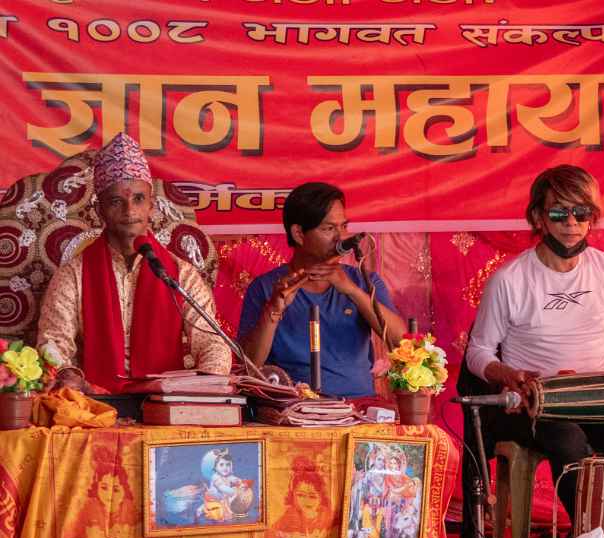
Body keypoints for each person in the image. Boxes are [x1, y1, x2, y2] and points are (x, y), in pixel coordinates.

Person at [465, 164, 604, 534]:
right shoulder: (509, 279)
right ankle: (596, 536)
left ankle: (594, 534)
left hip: (596, 400)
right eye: (558, 212)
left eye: (580, 212)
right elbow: (479, 352)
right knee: (569, 443)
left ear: (592, 218)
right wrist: (508, 374)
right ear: (538, 217)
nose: (571, 222)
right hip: (535, 406)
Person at [36, 133, 231, 392]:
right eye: (117, 201)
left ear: (152, 205)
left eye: (138, 199)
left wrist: (202, 388)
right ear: (100, 210)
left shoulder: (180, 275)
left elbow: (212, 343)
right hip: (97, 403)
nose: (130, 210)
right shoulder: (73, 275)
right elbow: (52, 343)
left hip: (165, 404)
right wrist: (68, 375)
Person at [238, 182, 405, 398]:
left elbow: (402, 341)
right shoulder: (264, 287)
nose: (341, 237)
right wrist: (273, 310)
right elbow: (249, 366)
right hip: (292, 409)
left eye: (344, 226)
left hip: (358, 408)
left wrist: (351, 290)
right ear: (298, 234)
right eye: (329, 228)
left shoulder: (364, 281)